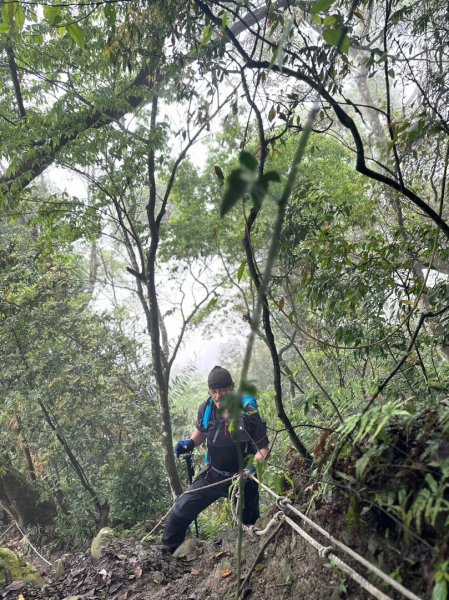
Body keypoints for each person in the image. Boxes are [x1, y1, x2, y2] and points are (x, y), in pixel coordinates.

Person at [162, 365, 270, 553]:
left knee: (248, 526)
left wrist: (252, 469)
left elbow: (263, 449)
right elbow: (202, 432)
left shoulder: (248, 412)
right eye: (214, 391)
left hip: (243, 480)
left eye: (223, 390)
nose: (218, 396)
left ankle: (251, 560)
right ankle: (166, 554)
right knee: (179, 513)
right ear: (210, 391)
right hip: (213, 475)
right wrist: (189, 443)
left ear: (233, 388)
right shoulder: (207, 408)